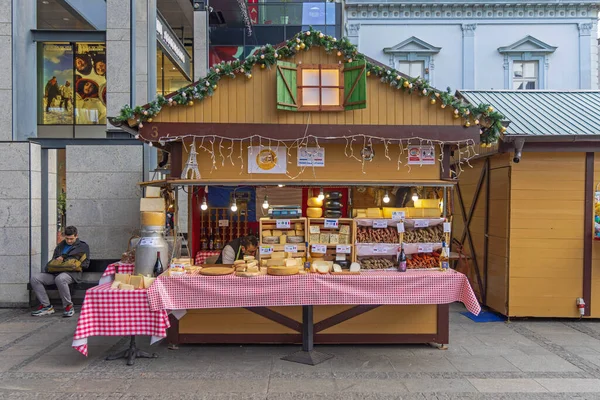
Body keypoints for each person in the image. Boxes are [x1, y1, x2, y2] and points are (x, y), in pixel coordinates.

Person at [30, 226, 90, 317]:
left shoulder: (83, 246)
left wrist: (68, 261)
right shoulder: (61, 245)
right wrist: (56, 262)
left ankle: (68, 306)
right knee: (35, 278)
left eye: (71, 239)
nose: (69, 241)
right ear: (64, 236)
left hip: (72, 274)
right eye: (67, 238)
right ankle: (47, 306)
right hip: (55, 272)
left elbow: (86, 264)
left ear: (76, 236)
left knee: (61, 278)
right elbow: (54, 259)